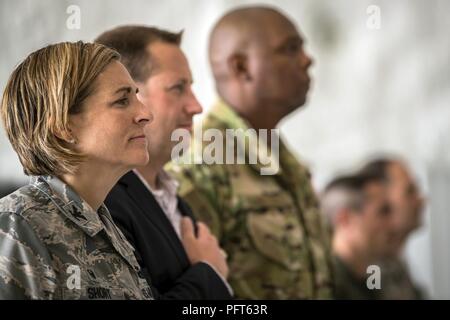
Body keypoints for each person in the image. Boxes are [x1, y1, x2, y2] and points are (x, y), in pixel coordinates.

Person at [169, 6, 333, 299]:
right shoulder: (202, 164)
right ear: (241, 67)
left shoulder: (283, 158)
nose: (308, 60)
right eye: (290, 49)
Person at [0, 41, 154, 299]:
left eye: (136, 97)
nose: (145, 113)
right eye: (122, 101)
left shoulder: (106, 227)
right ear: (63, 127)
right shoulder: (16, 225)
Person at [96, 26, 232, 299]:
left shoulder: (174, 197)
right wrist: (209, 273)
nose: (196, 106)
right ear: (126, 94)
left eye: (191, 87)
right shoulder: (101, 201)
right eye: (177, 88)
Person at [361, 158, 426, 299]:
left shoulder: (393, 258)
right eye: (410, 191)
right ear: (381, 197)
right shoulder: (372, 265)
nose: (422, 200)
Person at [320, 173, 393, 299]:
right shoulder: (325, 285)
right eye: (383, 212)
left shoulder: (372, 274)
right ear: (345, 219)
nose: (392, 223)